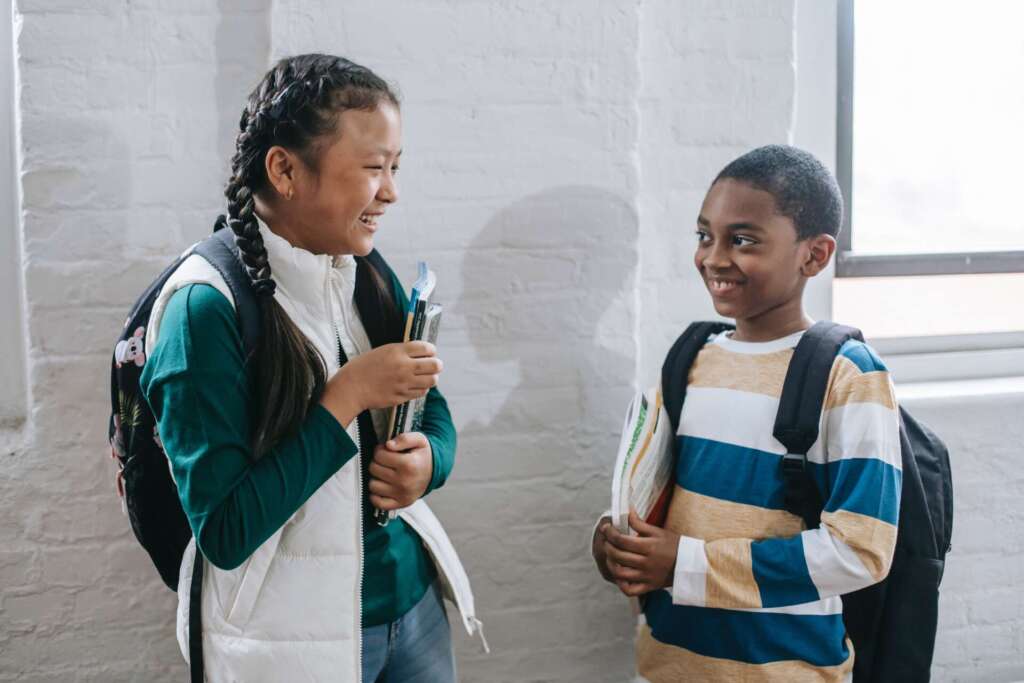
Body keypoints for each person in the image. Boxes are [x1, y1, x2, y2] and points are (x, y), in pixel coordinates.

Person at [140, 54, 474, 683]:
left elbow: (432, 405)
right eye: (375, 169)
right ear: (285, 170)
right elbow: (226, 533)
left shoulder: (364, 269)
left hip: (413, 609)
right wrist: (343, 400)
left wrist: (430, 460)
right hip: (287, 647)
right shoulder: (203, 308)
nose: (392, 192)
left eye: (395, 168)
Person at [592, 145, 901, 681]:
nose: (713, 257)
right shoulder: (689, 361)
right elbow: (654, 494)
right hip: (670, 664)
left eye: (742, 240)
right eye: (704, 235)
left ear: (815, 255)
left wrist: (683, 564)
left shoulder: (848, 376)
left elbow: (861, 551)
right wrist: (617, 537)